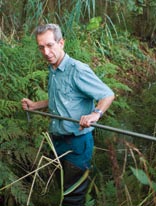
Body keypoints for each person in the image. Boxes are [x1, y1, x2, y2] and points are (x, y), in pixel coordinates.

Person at [21, 23, 114, 206]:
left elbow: (107, 94)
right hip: (57, 141)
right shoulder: (54, 69)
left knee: (73, 198)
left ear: (61, 43)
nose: (46, 52)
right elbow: (61, 99)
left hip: (77, 144)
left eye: (50, 45)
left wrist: (95, 114)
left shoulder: (77, 70)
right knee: (64, 189)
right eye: (41, 47)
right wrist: (35, 106)